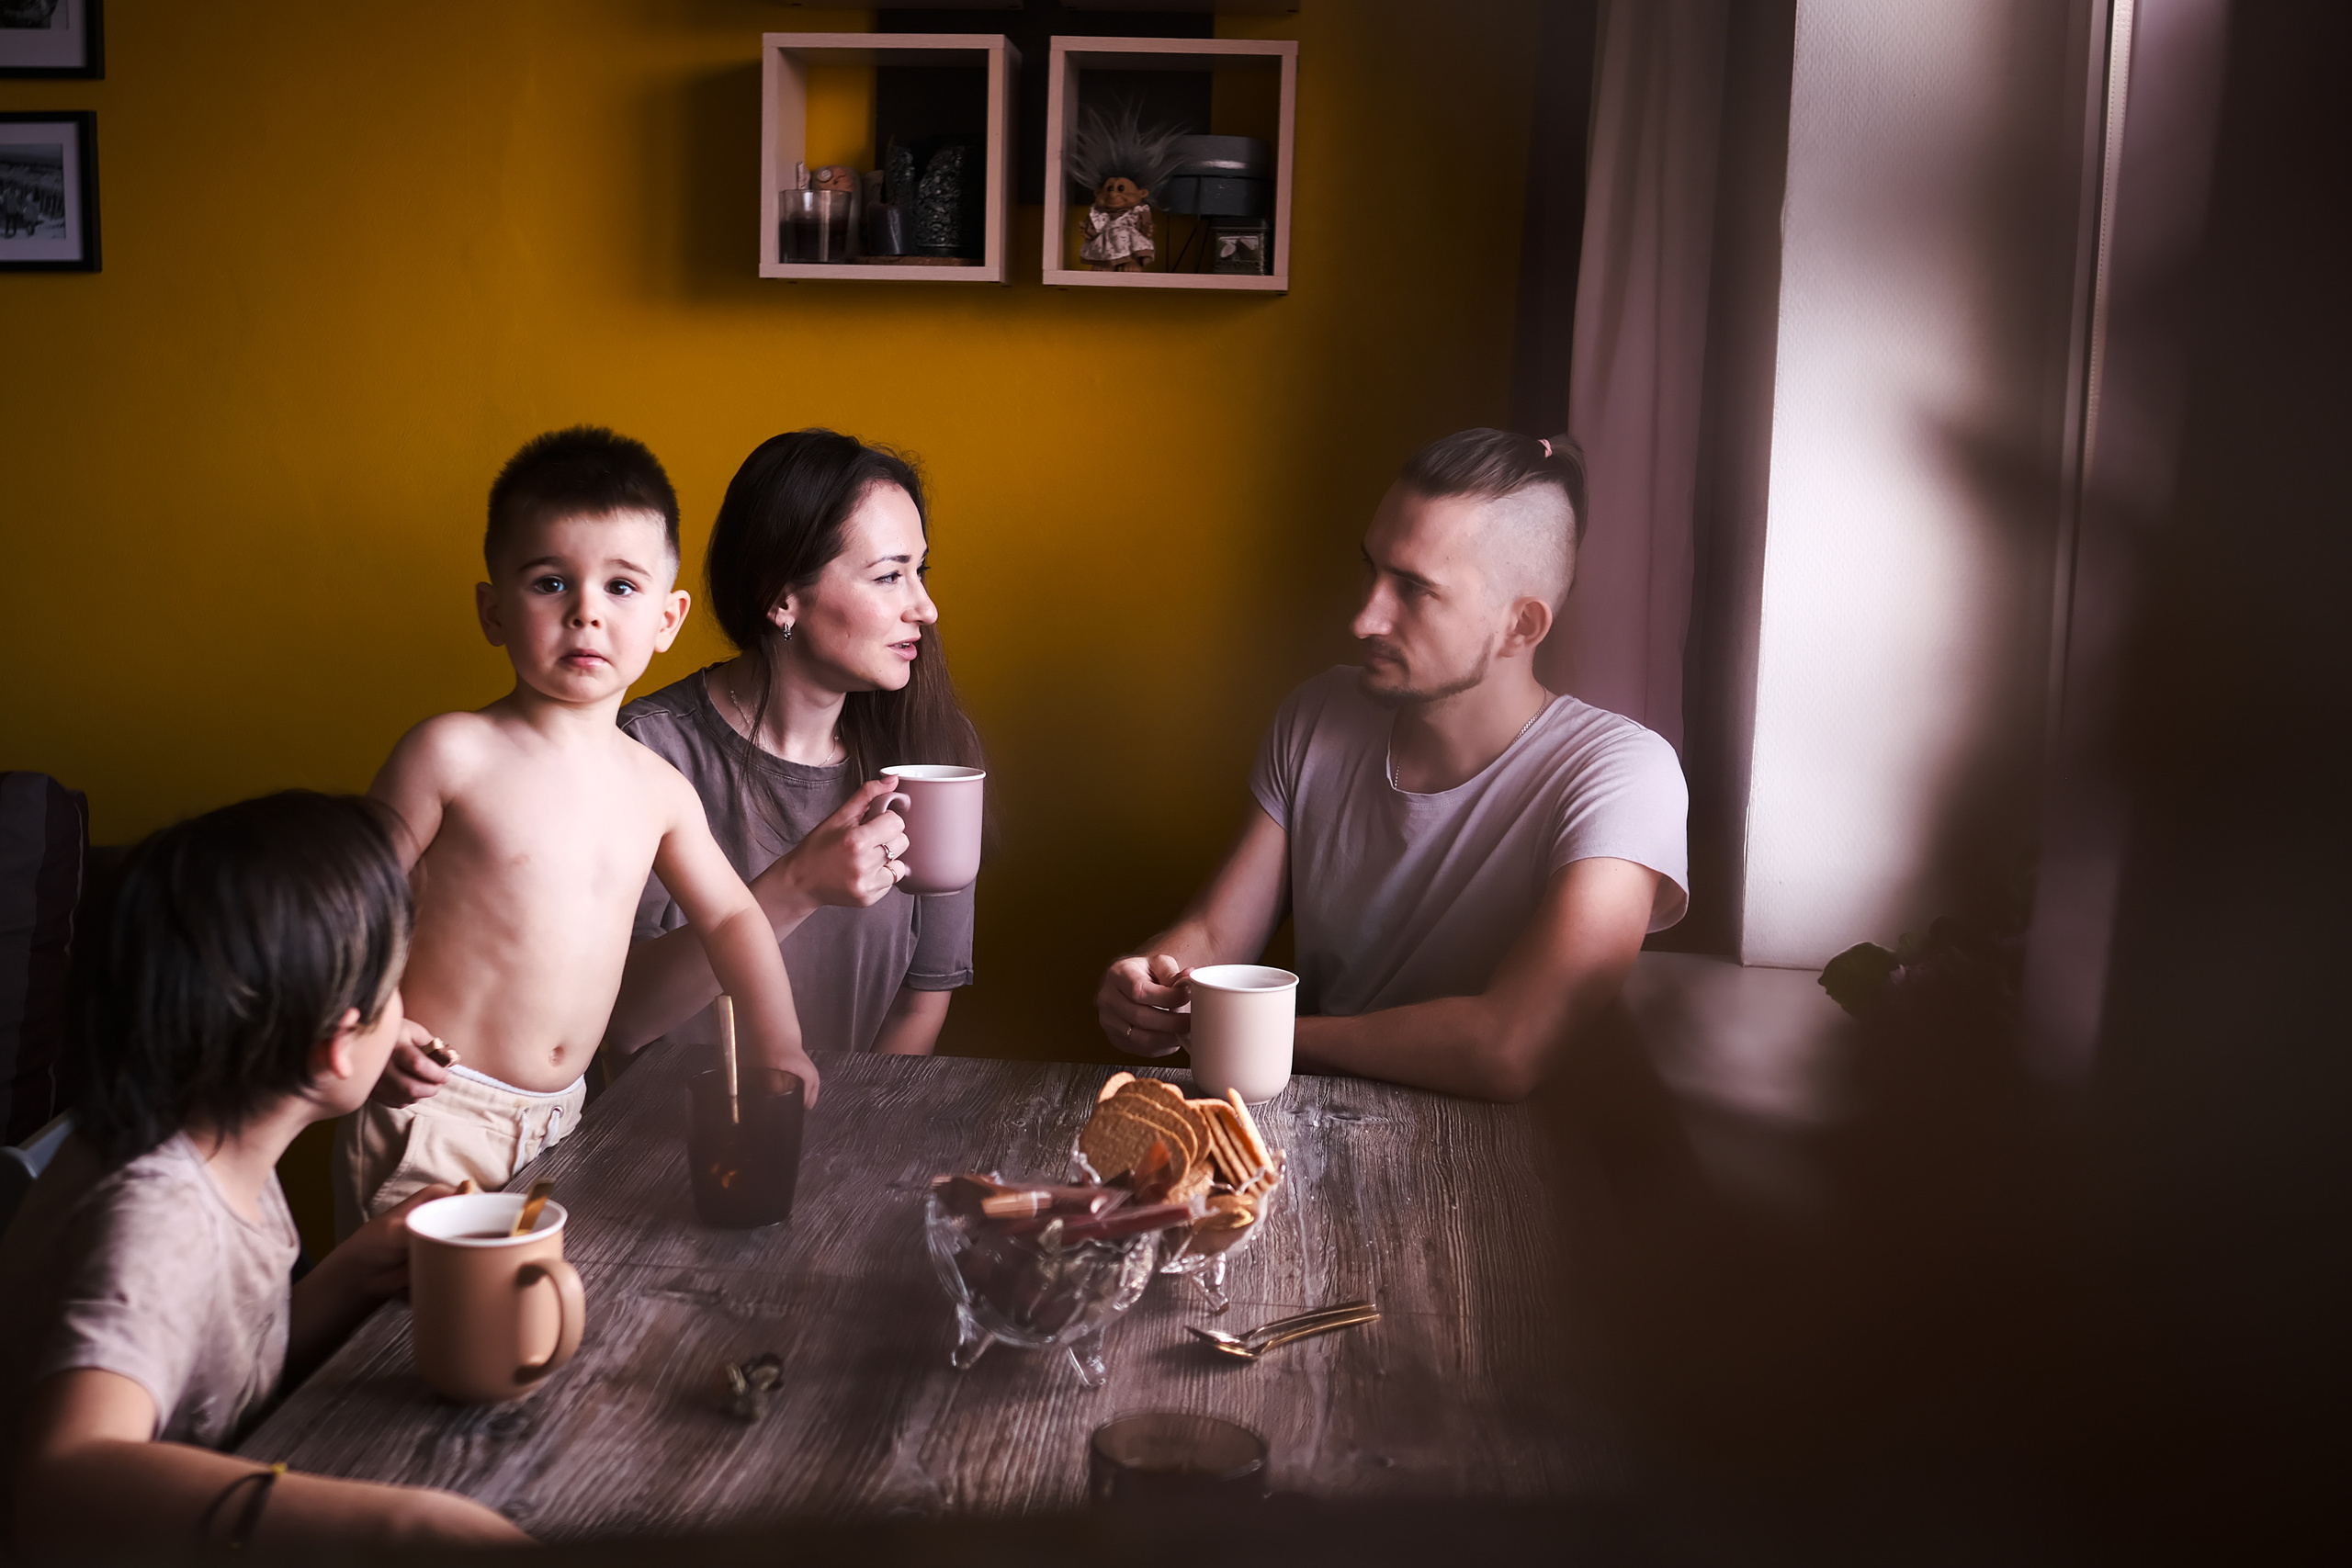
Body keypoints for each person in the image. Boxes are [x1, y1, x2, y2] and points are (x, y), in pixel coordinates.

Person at [0, 792, 527, 1552]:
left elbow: (209, 1373)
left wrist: (356, 1272)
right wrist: (402, 1520)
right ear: (339, 1045)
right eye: (393, 990)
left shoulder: (211, 1126)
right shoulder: (158, 1215)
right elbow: (64, 1474)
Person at [1094, 428, 1689, 1102]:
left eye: (1413, 588)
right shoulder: (1317, 712)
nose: (1365, 617)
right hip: (1305, 1136)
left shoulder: (1623, 774)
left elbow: (1510, 1044)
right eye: (1371, 569)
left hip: (1502, 1183)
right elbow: (1214, 933)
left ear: (1521, 626)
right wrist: (1156, 981)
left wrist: (1256, 1032)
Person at [334, 427, 813, 1236]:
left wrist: (781, 1043)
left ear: (668, 618)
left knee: (525, 1325)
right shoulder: (451, 752)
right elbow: (346, 900)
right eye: (552, 582)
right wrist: (373, 1018)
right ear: (493, 610)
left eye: (621, 588)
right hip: (437, 1106)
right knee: (410, 1327)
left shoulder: (658, 788)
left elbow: (733, 917)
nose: (587, 611)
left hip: (568, 1117)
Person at [604, 430, 983, 1063]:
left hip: (855, 1141)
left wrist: (843, 1139)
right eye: (890, 575)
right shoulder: (645, 751)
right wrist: (799, 885)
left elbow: (923, 1001)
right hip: (670, 1145)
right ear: (782, 597)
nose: (926, 607)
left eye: (920, 571)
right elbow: (624, 1021)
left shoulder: (932, 753)